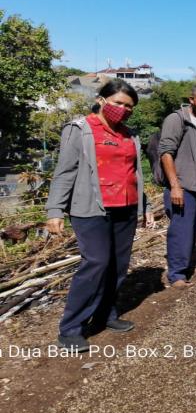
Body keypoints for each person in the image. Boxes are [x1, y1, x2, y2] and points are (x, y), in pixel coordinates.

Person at [46, 80, 154, 352]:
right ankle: (70, 328)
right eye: (118, 103)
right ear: (102, 99)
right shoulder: (80, 130)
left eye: (129, 106)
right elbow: (64, 172)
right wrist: (55, 210)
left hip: (126, 208)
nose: (124, 109)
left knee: (117, 266)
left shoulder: (129, 134)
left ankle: (106, 315)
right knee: (96, 262)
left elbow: (134, 174)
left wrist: (146, 205)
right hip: (91, 208)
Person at [159, 85, 196, 288]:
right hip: (182, 186)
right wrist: (175, 186)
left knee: (193, 229)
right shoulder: (176, 119)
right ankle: (176, 275)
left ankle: (183, 267)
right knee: (181, 230)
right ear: (192, 99)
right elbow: (166, 152)